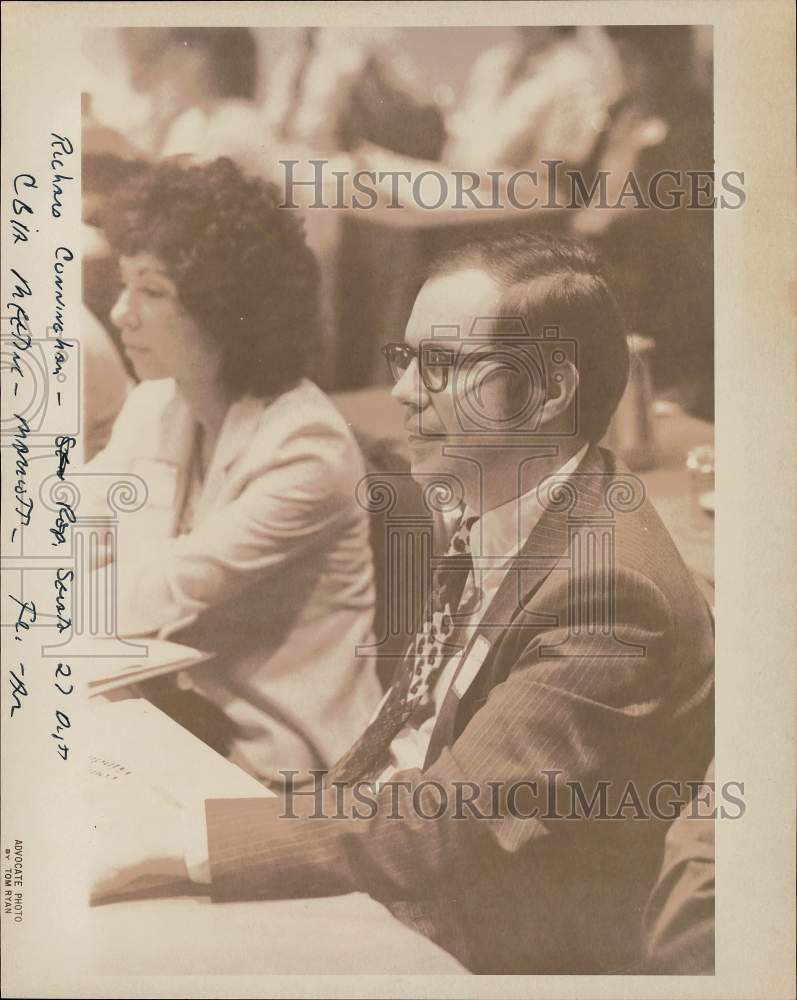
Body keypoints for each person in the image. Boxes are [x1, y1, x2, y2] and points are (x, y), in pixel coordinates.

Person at [91, 232, 714, 974]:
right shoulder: (509, 504)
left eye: (442, 365)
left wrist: (193, 840)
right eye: (407, 358)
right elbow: (410, 740)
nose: (403, 390)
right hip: (400, 871)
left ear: (550, 390)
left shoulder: (610, 589)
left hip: (494, 947)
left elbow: (450, 822)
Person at [85, 157, 381, 784]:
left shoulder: (306, 446)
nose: (120, 314)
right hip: (177, 727)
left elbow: (165, 589)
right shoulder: (155, 404)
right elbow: (70, 536)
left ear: (225, 310)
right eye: (122, 285)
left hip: (285, 768)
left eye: (152, 291)